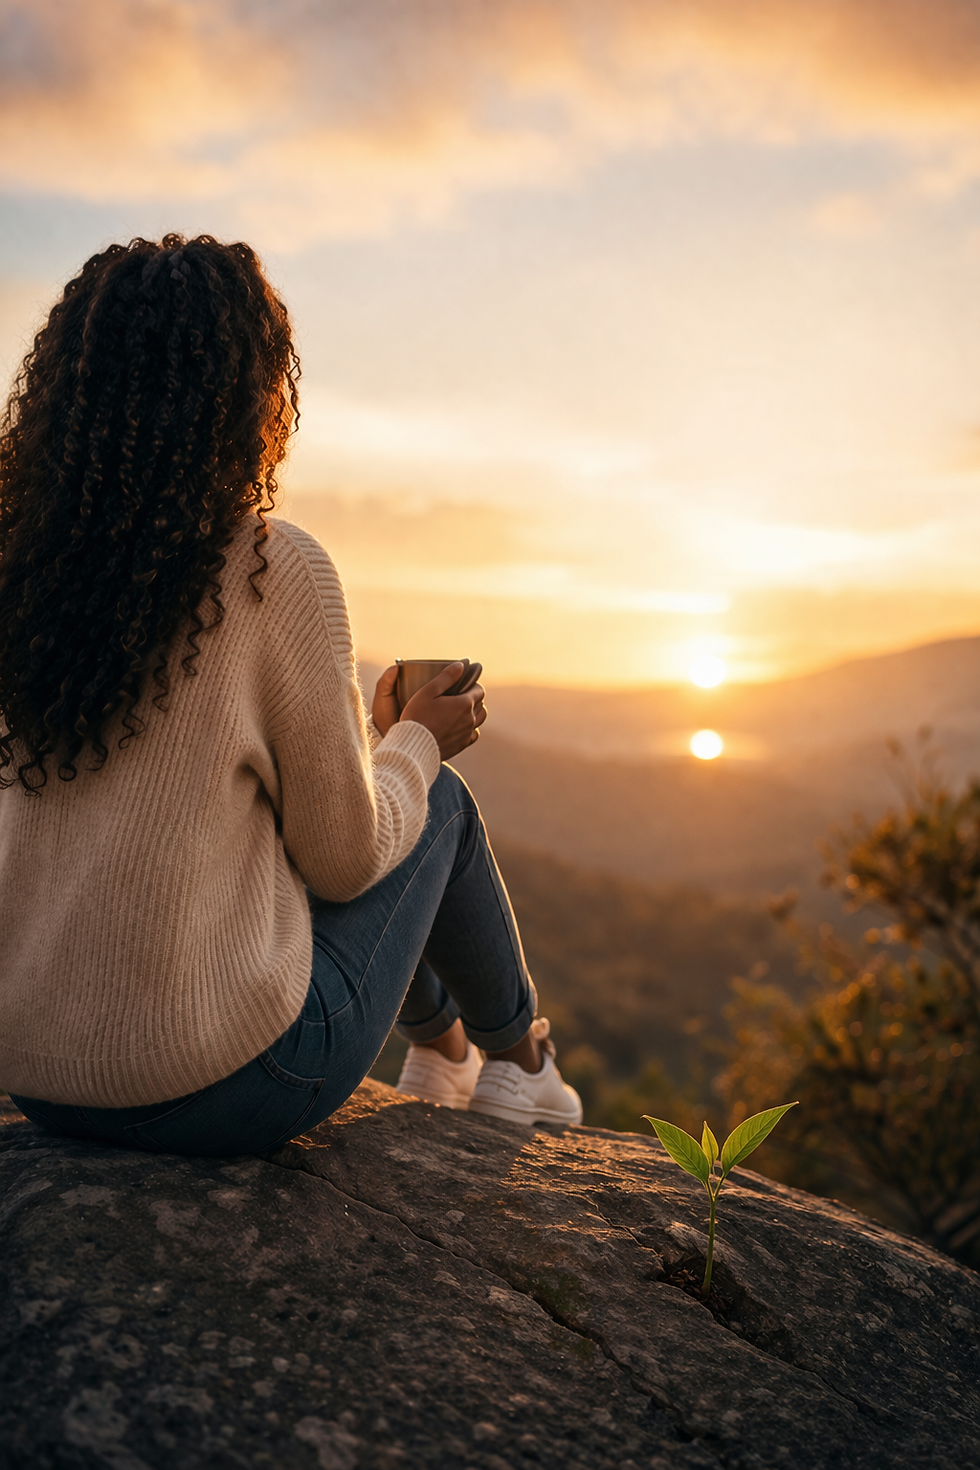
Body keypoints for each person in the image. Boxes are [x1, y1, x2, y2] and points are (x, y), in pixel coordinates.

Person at [0, 234, 581, 1156]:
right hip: (220, 1086)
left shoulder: (25, 574)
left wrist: (366, 747)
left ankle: (443, 1052)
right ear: (247, 394)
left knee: (313, 812)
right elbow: (344, 861)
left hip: (38, 1080)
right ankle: (522, 1063)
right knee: (439, 805)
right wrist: (414, 742)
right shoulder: (274, 568)